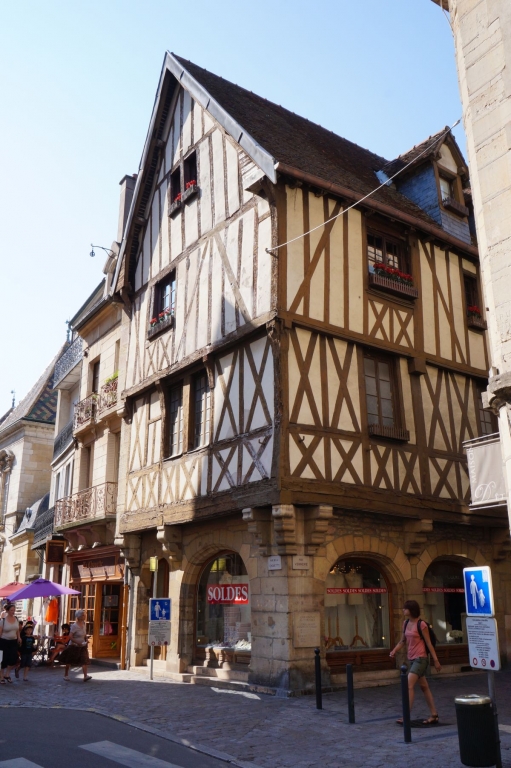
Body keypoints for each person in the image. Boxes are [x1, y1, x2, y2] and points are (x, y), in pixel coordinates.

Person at [389, 600, 441, 725]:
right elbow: (403, 641)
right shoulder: (405, 623)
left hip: (421, 659)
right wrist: (394, 651)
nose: (403, 610)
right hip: (411, 659)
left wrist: (436, 660)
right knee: (424, 687)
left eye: (405, 608)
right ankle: (434, 714)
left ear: (411, 610)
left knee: (409, 685)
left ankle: (406, 716)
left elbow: (428, 643)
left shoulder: (421, 625)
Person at [59, 610, 92, 682]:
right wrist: (77, 642)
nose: (85, 616)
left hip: (82, 646)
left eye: (84, 614)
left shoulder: (83, 624)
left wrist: (86, 639)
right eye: (83, 615)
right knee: (69, 661)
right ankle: (66, 675)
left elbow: (84, 634)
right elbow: (70, 636)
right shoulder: (74, 626)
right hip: (74, 646)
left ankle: (85, 676)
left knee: (84, 660)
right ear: (79, 617)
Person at [0, 603, 21, 683]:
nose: (13, 612)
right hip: (4, 641)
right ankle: (1, 676)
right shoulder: (3, 621)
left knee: (12, 658)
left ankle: (7, 674)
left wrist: (19, 637)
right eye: (11, 610)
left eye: (14, 610)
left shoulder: (16, 619)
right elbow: (0, 632)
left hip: (13, 641)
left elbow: (17, 630)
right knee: (3, 659)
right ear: (8, 611)